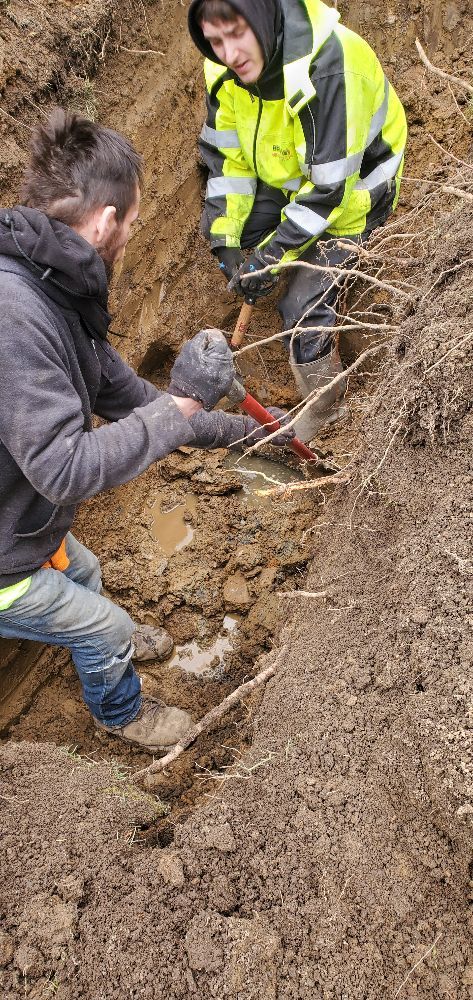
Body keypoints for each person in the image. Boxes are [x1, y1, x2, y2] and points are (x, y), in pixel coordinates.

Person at [0, 109, 293, 753]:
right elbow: (65, 467)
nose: (131, 235)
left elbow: (137, 401)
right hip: (2, 560)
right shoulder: (15, 318)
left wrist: (238, 433)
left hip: (22, 521)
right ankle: (121, 710)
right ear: (104, 223)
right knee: (100, 629)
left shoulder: (55, 293)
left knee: (89, 573)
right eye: (130, 223)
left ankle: (110, 636)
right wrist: (183, 403)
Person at [188, 0, 408, 440]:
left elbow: (329, 193)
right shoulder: (226, 73)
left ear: (261, 18)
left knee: (300, 309)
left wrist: (270, 257)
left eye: (236, 34)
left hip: (357, 189)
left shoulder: (330, 67)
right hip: (293, 171)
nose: (229, 54)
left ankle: (327, 407)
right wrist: (228, 245)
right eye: (215, 41)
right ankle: (280, 243)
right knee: (245, 229)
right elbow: (227, 162)